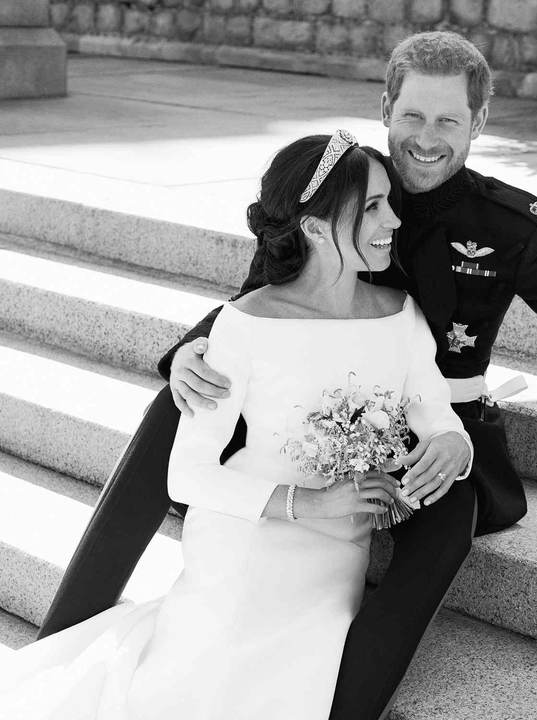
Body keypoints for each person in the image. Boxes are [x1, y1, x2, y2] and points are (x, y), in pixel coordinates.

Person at [38, 31, 537, 720]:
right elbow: (265, 300)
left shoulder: (514, 226)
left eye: (449, 119)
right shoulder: (339, 187)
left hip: (434, 424)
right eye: (412, 115)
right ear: (386, 108)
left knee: (450, 514)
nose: (426, 138)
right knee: (174, 407)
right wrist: (191, 351)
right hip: (313, 420)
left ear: (480, 121)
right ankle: (60, 643)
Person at [0, 132, 473, 719]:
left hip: (335, 557)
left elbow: (434, 410)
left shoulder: (401, 314)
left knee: (295, 679)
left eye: (388, 202)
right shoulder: (245, 325)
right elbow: (187, 474)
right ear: (315, 227)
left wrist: (453, 443)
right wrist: (309, 502)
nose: (394, 220)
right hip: (244, 540)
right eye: (373, 206)